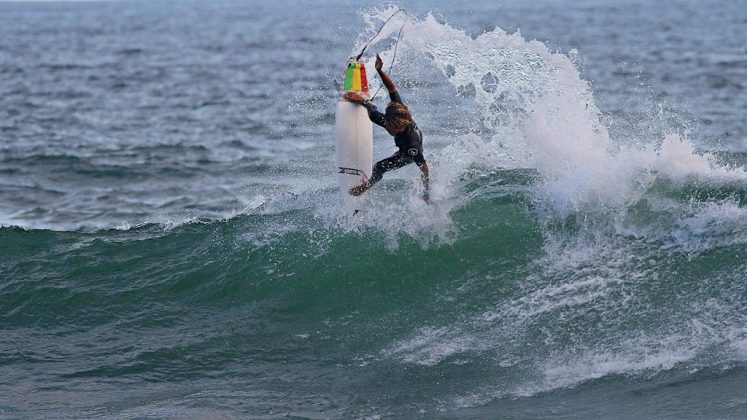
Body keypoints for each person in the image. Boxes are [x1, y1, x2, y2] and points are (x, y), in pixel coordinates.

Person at [344, 53, 431, 204]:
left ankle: (366, 186)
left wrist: (426, 192)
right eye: (387, 124)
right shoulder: (398, 110)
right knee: (373, 113)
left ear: (397, 127)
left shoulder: (412, 146)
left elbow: (423, 167)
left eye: (389, 127)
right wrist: (379, 70)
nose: (387, 129)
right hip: (399, 126)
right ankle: (365, 102)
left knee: (379, 166)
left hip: (405, 153)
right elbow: (392, 88)